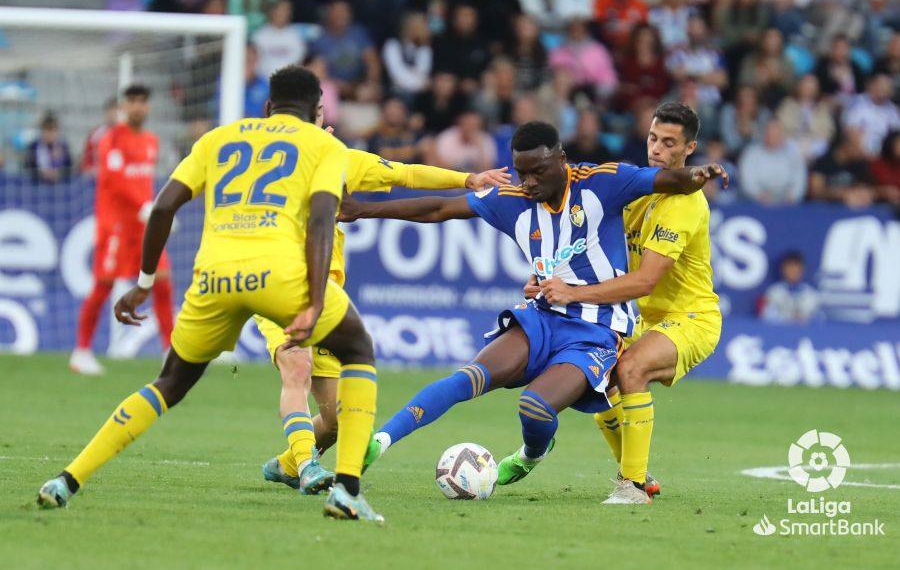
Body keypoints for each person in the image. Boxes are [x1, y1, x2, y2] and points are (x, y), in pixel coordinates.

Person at [39, 66, 383, 523]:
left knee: (169, 384)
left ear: (267, 106)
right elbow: (323, 218)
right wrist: (315, 300)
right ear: (317, 108)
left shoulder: (218, 138)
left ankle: (66, 479)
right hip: (280, 276)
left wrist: (143, 284)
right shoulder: (324, 144)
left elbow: (163, 206)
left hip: (213, 278)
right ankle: (347, 490)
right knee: (357, 347)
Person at [340, 121, 727, 504]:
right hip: (542, 316)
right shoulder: (512, 198)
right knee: (469, 377)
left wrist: (699, 173)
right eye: (522, 172)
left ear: (561, 160)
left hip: (597, 329)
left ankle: (533, 455)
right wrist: (362, 210)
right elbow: (440, 208)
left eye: (538, 172)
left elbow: (669, 182)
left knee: (536, 408)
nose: (529, 182)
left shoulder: (603, 182)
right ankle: (377, 443)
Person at [258, 122, 510, 490]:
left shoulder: (342, 160)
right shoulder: (267, 167)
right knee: (298, 366)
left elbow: (406, 173)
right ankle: (309, 465)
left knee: (337, 420)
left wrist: (468, 178)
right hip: (276, 285)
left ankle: (288, 464)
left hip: (326, 297)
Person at [534, 102, 722, 503]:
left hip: (691, 318)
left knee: (631, 367)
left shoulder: (685, 202)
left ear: (689, 148)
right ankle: (638, 473)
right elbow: (583, 243)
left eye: (669, 143)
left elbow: (645, 280)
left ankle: (632, 485)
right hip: (645, 318)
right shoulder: (639, 190)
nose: (656, 148)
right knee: (596, 376)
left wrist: (572, 293)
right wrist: (545, 274)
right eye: (653, 138)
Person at [70, 85, 173, 376]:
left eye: (143, 101)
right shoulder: (111, 138)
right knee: (102, 286)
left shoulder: (151, 141)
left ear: (148, 106)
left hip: (144, 226)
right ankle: (81, 351)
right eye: (132, 101)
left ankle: (169, 352)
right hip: (115, 226)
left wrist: (153, 210)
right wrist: (144, 206)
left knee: (163, 283)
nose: (138, 107)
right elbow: (115, 180)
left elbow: (141, 181)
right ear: (123, 106)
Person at [739, 118, 807, 204]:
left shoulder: (794, 155)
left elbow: (799, 181)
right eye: (770, 133)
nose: (773, 137)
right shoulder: (751, 154)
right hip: (757, 204)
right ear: (764, 134)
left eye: (777, 134)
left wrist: (792, 197)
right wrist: (759, 195)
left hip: (787, 205)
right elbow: (747, 182)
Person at [761, 252, 822, 324]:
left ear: (802, 269)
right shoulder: (773, 292)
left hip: (806, 333)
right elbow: (767, 316)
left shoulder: (812, 295)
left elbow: (819, 319)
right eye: (789, 267)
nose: (793, 271)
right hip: (780, 332)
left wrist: (804, 319)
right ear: (783, 269)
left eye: (796, 267)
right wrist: (789, 319)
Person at [252, 0, 306, 80]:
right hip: (263, 82)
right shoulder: (259, 36)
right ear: (272, 12)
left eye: (287, 10)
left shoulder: (295, 36)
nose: (285, 13)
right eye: (281, 10)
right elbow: (255, 64)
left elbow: (299, 60)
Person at [24, 113, 72, 184]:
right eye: (47, 130)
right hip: (37, 186)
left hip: (60, 187)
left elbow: (70, 168)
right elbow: (27, 167)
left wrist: (59, 173)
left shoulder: (63, 147)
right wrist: (41, 173)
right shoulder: (34, 146)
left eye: (53, 130)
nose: (50, 134)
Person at [80, 98, 119, 176]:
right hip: (97, 176)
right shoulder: (96, 134)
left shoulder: (127, 134)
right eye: (110, 112)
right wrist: (89, 169)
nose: (113, 115)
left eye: (116, 112)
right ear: (106, 113)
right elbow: (86, 159)